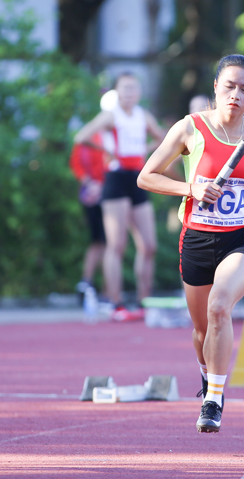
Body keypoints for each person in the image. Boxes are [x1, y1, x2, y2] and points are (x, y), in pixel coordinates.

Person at [137, 54, 244, 433]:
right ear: (215, 88)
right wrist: (190, 187)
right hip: (196, 238)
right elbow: (147, 176)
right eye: (230, 86)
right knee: (201, 331)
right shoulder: (189, 129)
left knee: (220, 307)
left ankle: (213, 400)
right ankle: (209, 377)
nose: (236, 95)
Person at [74, 73, 164, 320]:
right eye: (124, 89)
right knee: (118, 244)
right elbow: (81, 137)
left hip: (138, 177)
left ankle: (143, 300)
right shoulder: (111, 115)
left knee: (149, 245)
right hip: (116, 179)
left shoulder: (143, 115)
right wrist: (107, 150)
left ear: (139, 92)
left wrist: (143, 151)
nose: (129, 93)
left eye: (133, 88)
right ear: (116, 92)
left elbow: (163, 138)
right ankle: (115, 302)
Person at [68, 126, 108, 299]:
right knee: (101, 241)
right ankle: (94, 284)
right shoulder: (93, 138)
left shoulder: (104, 138)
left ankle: (93, 283)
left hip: (101, 191)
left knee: (103, 242)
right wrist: (92, 185)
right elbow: (77, 165)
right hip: (96, 195)